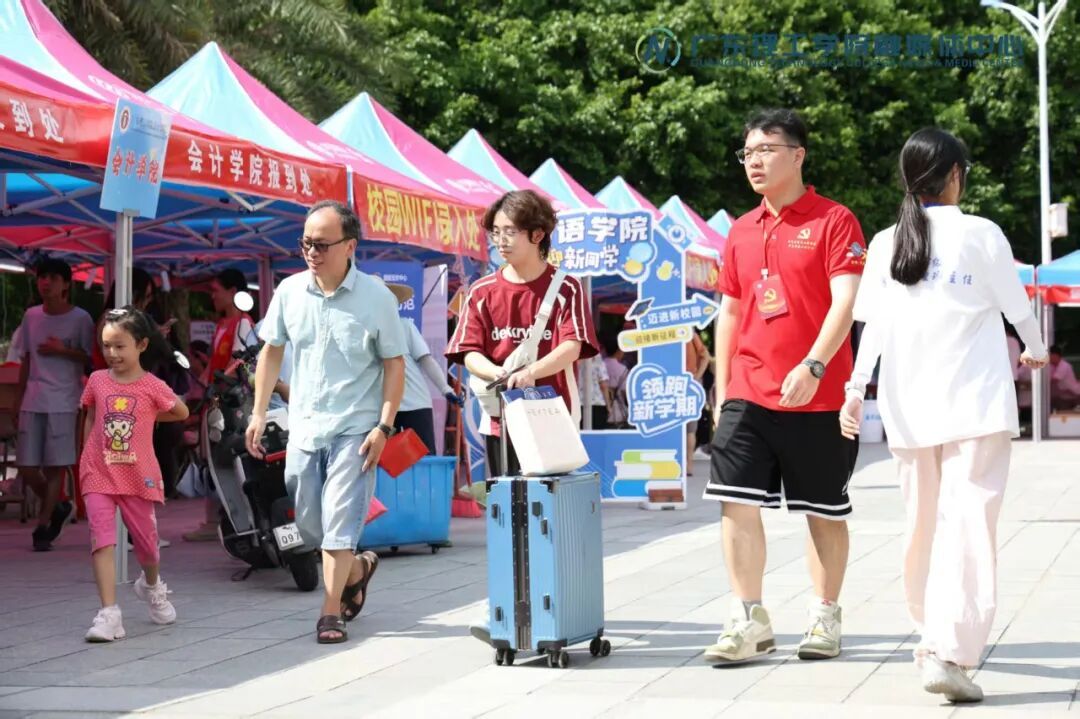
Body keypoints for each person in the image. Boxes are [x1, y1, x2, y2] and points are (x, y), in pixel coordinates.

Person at [839, 127, 1048, 703]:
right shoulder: (982, 233)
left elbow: (871, 327)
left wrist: (855, 389)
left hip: (908, 411)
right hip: (975, 406)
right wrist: (1035, 350)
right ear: (956, 174)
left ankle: (930, 638)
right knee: (969, 527)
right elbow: (1018, 310)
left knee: (923, 526)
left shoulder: (887, 240)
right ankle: (948, 652)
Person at [702, 109, 865, 664]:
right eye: (747, 152)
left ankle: (825, 615)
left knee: (824, 510)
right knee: (734, 502)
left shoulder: (835, 220)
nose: (754, 161)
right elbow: (730, 310)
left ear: (798, 155)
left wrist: (814, 365)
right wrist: (724, 389)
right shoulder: (741, 230)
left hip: (819, 395)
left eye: (766, 150)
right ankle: (749, 618)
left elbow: (847, 300)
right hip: (749, 391)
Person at [245, 200, 406, 645]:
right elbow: (271, 351)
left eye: (321, 244)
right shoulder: (289, 291)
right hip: (304, 427)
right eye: (305, 244)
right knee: (309, 526)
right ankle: (357, 569)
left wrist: (384, 427)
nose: (312, 253)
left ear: (350, 246)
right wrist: (258, 412)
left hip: (356, 428)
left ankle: (330, 611)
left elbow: (394, 364)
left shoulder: (376, 297)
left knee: (338, 522)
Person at [446, 189, 600, 478]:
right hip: (500, 419)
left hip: (553, 415)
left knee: (549, 499)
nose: (501, 240)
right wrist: (496, 373)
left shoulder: (567, 288)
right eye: (496, 232)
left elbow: (573, 345)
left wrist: (531, 373)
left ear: (538, 234)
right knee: (507, 499)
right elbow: (468, 351)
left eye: (511, 231)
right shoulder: (481, 291)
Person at [80, 307, 189, 642]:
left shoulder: (152, 385)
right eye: (106, 346)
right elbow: (91, 415)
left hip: (138, 475)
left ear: (141, 345)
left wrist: (149, 416)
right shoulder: (97, 380)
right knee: (101, 540)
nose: (112, 353)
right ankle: (109, 614)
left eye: (119, 346)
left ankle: (151, 585)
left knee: (147, 545)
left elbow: (181, 412)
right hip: (98, 472)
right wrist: (86, 455)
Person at [14, 258, 95, 552]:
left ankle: (43, 525)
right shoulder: (31, 316)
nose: (46, 283)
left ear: (66, 284)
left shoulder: (81, 319)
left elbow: (90, 358)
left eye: (52, 278)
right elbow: (26, 359)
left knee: (56, 465)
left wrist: (63, 350)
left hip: (64, 400)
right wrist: (18, 400)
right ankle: (59, 505)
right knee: (26, 465)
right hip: (33, 399)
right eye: (42, 277)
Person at [183, 268, 255, 542]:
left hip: (231, 405)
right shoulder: (222, 324)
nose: (212, 296)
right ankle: (214, 520)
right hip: (214, 402)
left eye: (216, 291)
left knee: (229, 461)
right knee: (211, 460)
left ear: (233, 292)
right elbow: (214, 364)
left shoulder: (243, 323)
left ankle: (239, 519)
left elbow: (240, 363)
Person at [391, 301, 461, 454]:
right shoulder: (362, 331)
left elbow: (425, 359)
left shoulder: (404, 326)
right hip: (381, 409)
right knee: (385, 461)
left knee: (424, 460)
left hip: (415, 404)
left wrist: (445, 389)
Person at [685, 331, 709, 473]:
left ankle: (677, 464)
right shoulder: (690, 333)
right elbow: (705, 356)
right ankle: (689, 465)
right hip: (689, 384)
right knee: (690, 429)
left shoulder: (662, 331)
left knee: (671, 427)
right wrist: (697, 377)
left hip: (668, 384)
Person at [602, 335, 630, 428]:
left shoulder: (601, 365)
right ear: (619, 350)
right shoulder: (623, 369)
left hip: (602, 410)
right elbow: (626, 392)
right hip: (618, 412)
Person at [579, 354, 612, 429]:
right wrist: (608, 406)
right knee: (597, 433)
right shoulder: (597, 359)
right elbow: (603, 385)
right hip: (597, 403)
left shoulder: (575, 360)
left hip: (579, 402)